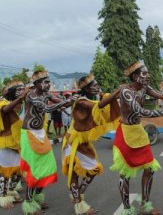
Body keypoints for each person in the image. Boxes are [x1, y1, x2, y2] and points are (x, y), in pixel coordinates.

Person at [110, 60, 163, 215]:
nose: (147, 76)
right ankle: (127, 209)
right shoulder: (125, 91)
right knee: (125, 174)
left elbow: (162, 95)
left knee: (150, 169)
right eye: (144, 73)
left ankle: (145, 205)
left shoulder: (145, 88)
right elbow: (140, 111)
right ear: (135, 76)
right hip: (125, 133)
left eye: (147, 73)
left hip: (138, 132)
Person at [62, 74, 120, 215]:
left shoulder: (90, 99)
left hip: (84, 142)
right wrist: (116, 92)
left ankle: (78, 194)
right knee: (74, 173)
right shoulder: (82, 101)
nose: (96, 86)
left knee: (93, 169)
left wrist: (106, 96)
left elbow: (102, 110)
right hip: (72, 141)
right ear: (86, 89)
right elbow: (98, 106)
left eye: (96, 84)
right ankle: (79, 205)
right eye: (92, 85)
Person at [20, 68, 75, 215]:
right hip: (29, 135)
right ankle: (29, 205)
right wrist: (66, 102)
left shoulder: (46, 94)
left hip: (40, 134)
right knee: (35, 169)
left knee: (48, 167)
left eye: (49, 82)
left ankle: (37, 197)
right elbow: (47, 108)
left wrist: (71, 101)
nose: (48, 84)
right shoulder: (31, 95)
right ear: (37, 84)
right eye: (45, 82)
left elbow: (62, 103)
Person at [0, 80, 27, 209]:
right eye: (19, 90)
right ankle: (3, 196)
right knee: (5, 171)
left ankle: (11, 190)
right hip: (5, 143)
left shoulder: (24, 105)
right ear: (12, 92)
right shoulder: (3, 103)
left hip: (19, 143)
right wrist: (22, 97)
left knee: (19, 170)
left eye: (23, 89)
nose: (22, 91)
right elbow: (5, 110)